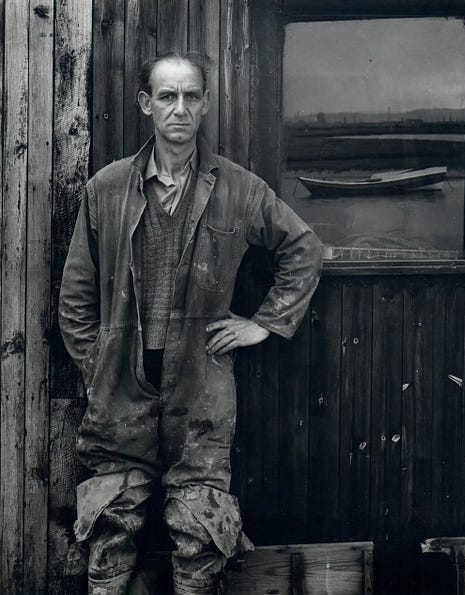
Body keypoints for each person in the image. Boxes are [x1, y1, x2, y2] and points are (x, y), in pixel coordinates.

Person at [59, 51, 323, 595]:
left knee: (200, 520)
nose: (179, 108)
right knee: (110, 517)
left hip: (202, 378)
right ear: (146, 104)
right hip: (120, 380)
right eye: (167, 96)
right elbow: (76, 298)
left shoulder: (240, 189)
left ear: (204, 106)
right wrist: (98, 363)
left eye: (191, 96)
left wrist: (265, 323)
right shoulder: (106, 189)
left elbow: (303, 248)